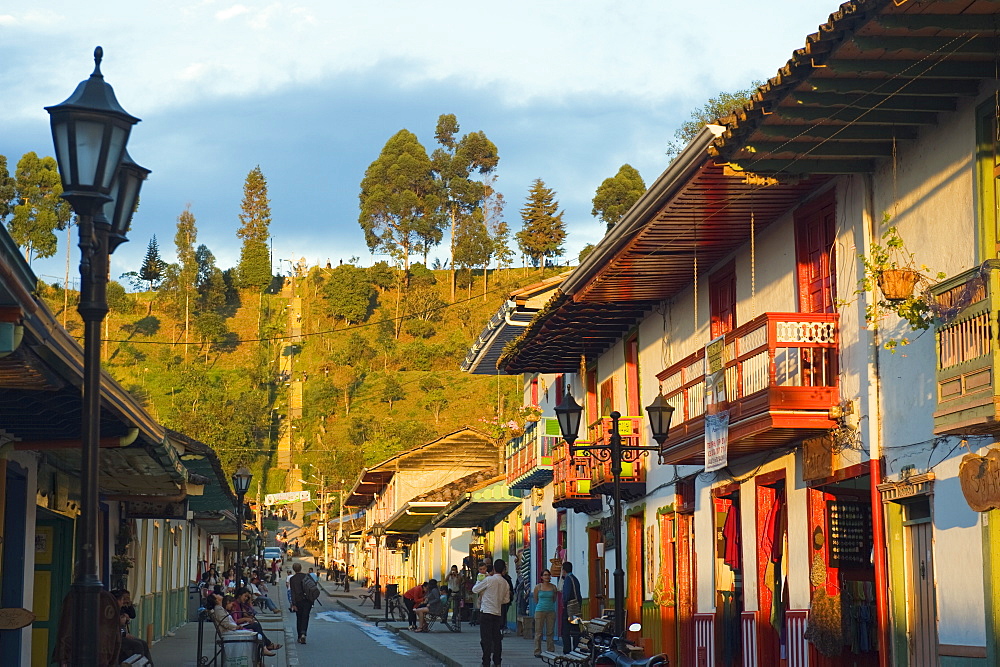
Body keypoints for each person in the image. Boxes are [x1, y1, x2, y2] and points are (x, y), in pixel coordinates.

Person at [206, 593, 276, 657]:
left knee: (256, 631)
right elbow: (226, 624)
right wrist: (237, 627)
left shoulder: (220, 608)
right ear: (216, 600)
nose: (219, 594)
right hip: (229, 632)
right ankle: (261, 653)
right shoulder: (218, 609)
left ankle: (261, 654)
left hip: (232, 630)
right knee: (257, 635)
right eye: (216, 595)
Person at [473, 559, 510, 667]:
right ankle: (497, 661)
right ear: (503, 570)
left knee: (486, 639)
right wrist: (497, 600)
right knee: (496, 638)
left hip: (486, 611)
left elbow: (475, 589)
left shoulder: (489, 580)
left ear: (493, 568)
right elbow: (506, 600)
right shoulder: (505, 583)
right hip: (497, 612)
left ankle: (486, 661)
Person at [228, 587, 282, 653]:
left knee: (256, 626)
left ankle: (266, 645)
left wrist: (249, 602)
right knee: (256, 626)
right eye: (245, 596)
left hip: (242, 624)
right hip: (236, 627)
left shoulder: (241, 604)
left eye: (247, 597)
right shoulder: (235, 605)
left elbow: (251, 612)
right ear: (239, 595)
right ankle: (266, 646)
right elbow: (235, 621)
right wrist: (246, 619)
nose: (246, 598)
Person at [112, 589, 154, 665]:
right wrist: (124, 633)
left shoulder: (122, 608)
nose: (124, 601)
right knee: (137, 645)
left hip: (122, 634)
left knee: (144, 643)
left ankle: (148, 664)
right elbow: (113, 628)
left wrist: (129, 605)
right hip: (116, 637)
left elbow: (132, 615)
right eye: (123, 599)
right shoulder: (112, 611)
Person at [532, 569, 558, 657]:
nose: (547, 577)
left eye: (548, 575)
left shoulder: (553, 587)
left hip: (551, 611)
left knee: (550, 632)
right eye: (545, 575)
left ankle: (550, 650)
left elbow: (554, 599)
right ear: (541, 577)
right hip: (540, 611)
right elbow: (535, 599)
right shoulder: (538, 587)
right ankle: (537, 651)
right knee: (538, 632)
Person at [289, 562, 314, 644]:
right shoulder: (307, 576)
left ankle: (300, 635)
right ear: (301, 568)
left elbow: (292, 592)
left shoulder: (292, 579)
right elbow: (312, 587)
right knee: (305, 617)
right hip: (307, 600)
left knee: (299, 618)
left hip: (298, 601)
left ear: (293, 569)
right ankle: (304, 633)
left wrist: (293, 603)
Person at [561, 561, 583, 654]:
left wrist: (564, 603)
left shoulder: (567, 580)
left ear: (563, 570)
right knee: (575, 629)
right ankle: (576, 649)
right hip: (576, 608)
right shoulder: (575, 579)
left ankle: (567, 650)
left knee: (565, 631)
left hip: (569, 608)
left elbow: (566, 595)